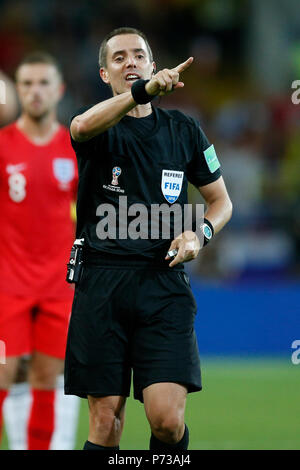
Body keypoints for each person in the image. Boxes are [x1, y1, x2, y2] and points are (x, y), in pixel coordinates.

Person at [65, 27, 232, 451]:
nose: (131, 62)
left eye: (139, 55)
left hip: (163, 285)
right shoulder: (96, 122)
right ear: (105, 74)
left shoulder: (184, 130)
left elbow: (221, 202)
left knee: (167, 422)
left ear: (154, 65)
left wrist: (201, 234)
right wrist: (141, 94)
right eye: (118, 58)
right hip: (102, 283)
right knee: (105, 422)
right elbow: (80, 127)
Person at [0, 52, 78, 450]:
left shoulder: (75, 147)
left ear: (59, 89)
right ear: (16, 90)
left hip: (56, 285)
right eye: (26, 83)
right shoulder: (2, 146)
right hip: (8, 283)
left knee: (47, 379)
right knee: (3, 373)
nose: (34, 91)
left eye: (43, 83)